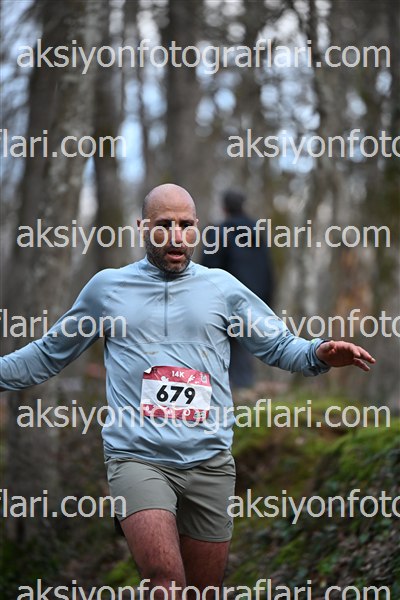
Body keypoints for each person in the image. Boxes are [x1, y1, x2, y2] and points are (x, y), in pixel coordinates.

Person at [0, 183, 375, 599]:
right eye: (164, 225)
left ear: (198, 227)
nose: (176, 237)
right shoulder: (108, 289)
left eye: (186, 225)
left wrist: (319, 352)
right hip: (137, 457)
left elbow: (279, 345)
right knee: (166, 583)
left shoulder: (222, 288)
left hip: (209, 461)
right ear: (143, 227)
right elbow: (48, 353)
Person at [202, 189, 275, 388]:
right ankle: (243, 390)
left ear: (224, 208)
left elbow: (208, 268)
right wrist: (267, 301)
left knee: (222, 346)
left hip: (223, 300)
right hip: (254, 300)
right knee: (243, 347)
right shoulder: (257, 233)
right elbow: (267, 269)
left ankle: (229, 392)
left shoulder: (217, 232)